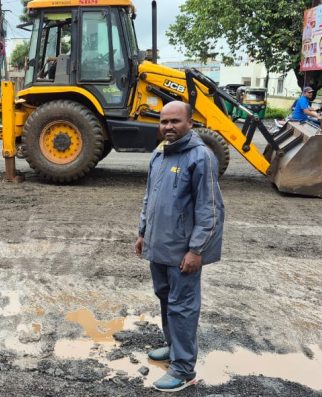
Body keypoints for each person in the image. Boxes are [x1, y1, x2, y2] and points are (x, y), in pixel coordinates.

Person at [134, 101, 225, 392]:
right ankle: (173, 347)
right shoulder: (159, 154)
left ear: (190, 123)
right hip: (158, 246)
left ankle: (184, 369)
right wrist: (142, 232)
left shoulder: (201, 157)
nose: (168, 127)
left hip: (183, 253)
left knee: (182, 307)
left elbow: (211, 209)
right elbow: (150, 197)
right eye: (164, 122)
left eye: (175, 121)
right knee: (165, 298)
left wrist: (196, 250)